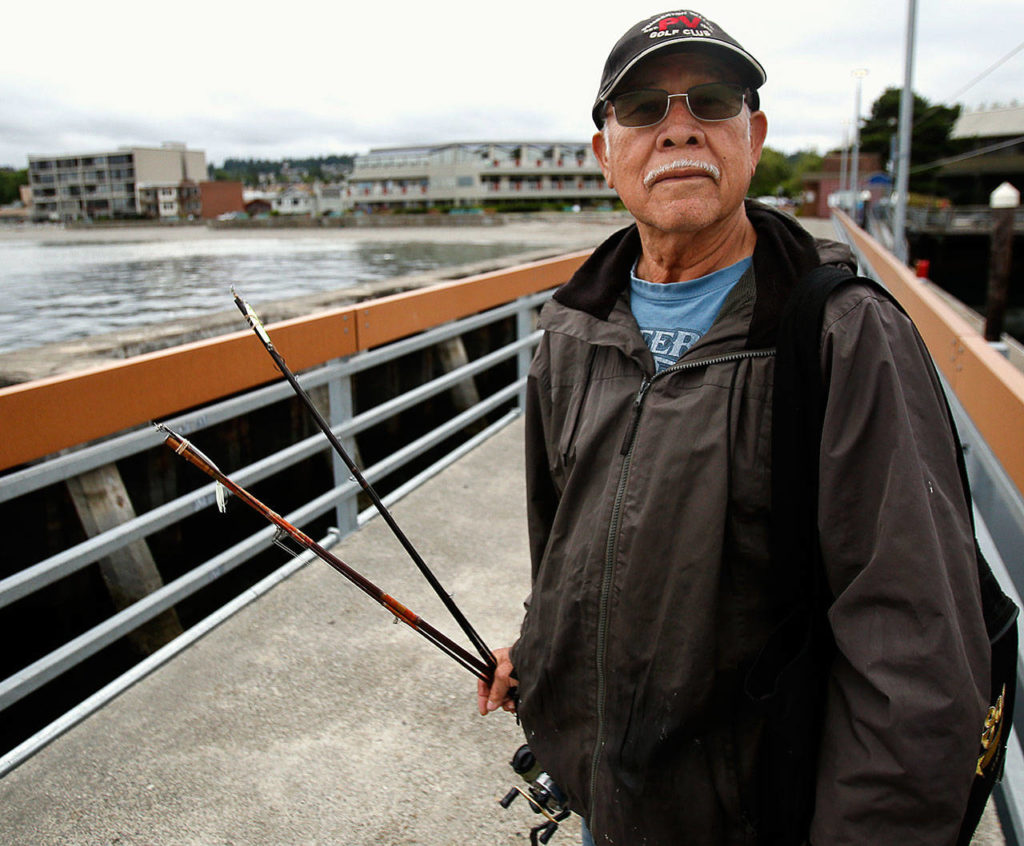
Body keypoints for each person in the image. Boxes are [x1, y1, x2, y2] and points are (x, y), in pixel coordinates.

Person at [478, 10, 990, 845]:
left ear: (751, 136)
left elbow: (917, 661)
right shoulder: (572, 330)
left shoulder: (842, 334)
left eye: (709, 101)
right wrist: (539, 649)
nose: (678, 126)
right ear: (605, 153)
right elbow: (566, 543)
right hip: (612, 814)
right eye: (643, 109)